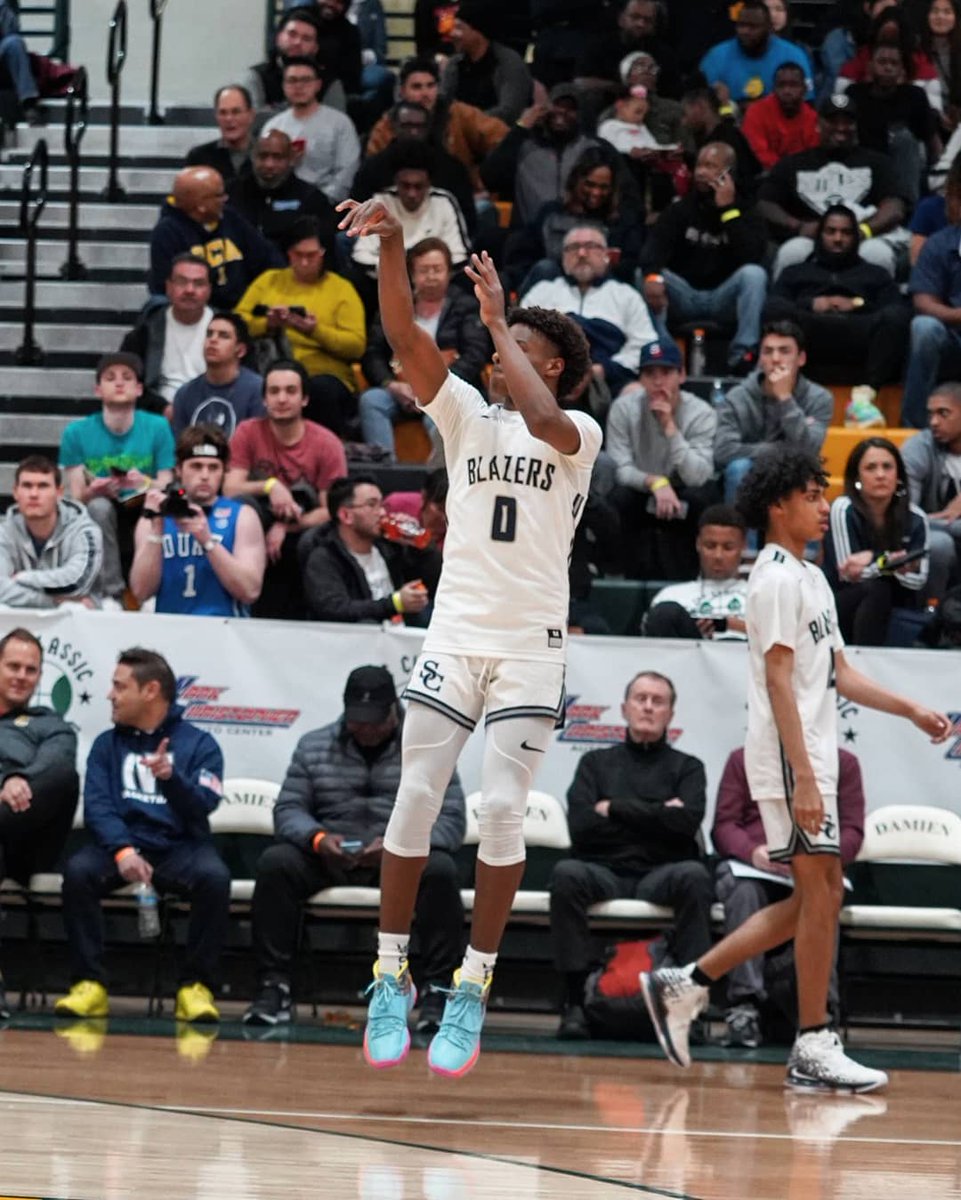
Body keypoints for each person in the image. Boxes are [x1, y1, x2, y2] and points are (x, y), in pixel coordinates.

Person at [337, 194, 601, 1077]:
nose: (497, 357)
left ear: (555, 366)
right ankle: (389, 975)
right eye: (497, 347)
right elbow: (406, 338)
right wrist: (391, 244)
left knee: (496, 811)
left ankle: (473, 986)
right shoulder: (461, 415)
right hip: (454, 633)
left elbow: (547, 418)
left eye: (522, 351)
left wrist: (498, 320)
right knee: (416, 797)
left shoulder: (579, 434)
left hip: (530, 642)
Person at [640, 444, 951, 1093]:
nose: (822, 506)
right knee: (821, 894)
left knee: (817, 896)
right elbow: (778, 682)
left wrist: (909, 708)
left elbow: (838, 674)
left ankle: (686, 982)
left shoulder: (810, 577)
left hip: (808, 754)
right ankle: (811, 1041)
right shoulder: (775, 579)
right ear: (779, 504)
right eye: (812, 495)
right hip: (790, 758)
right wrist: (804, 775)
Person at [244, 664, 465, 1029]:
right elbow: (288, 809)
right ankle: (274, 986)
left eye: (373, 721)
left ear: (394, 709)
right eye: (356, 719)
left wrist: (399, 847)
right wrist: (316, 839)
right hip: (330, 855)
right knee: (276, 863)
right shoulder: (313, 745)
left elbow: (452, 821)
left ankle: (436, 992)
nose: (364, 729)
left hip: (399, 859)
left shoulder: (429, 750)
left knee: (440, 870)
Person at [54, 648, 231, 1023]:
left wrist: (172, 779)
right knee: (78, 872)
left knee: (214, 878)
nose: (110, 695)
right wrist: (123, 851)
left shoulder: (201, 745)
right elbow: (98, 807)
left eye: (119, 686)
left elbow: (204, 807)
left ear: (150, 691)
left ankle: (195, 987)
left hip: (179, 847)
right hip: (124, 845)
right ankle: (90, 985)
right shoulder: (106, 745)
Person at [551, 670, 713, 1040]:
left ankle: (692, 1007)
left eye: (658, 701)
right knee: (566, 874)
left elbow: (685, 825)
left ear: (671, 714)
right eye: (641, 699)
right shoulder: (594, 764)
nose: (648, 707)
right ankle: (574, 1003)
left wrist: (615, 809)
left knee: (695, 877)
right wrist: (659, 813)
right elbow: (582, 827)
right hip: (602, 871)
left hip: (662, 873)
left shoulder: (688, 768)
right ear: (624, 708)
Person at [711, 746, 865, 1048]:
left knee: (824, 897)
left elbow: (853, 831)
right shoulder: (743, 758)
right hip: (755, 866)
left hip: (814, 867)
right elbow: (724, 824)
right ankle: (744, 1008)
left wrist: (821, 856)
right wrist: (751, 852)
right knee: (743, 892)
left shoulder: (843, 763)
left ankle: (823, 1014)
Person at [224, 359, 347, 619]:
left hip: (305, 527)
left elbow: (333, 510)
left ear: (304, 399)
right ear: (265, 399)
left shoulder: (327, 443)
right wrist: (271, 485)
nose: (282, 399)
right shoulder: (247, 432)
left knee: (310, 542)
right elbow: (230, 489)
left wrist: (289, 526)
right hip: (258, 521)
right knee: (240, 507)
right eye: (274, 391)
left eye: (290, 391)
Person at [765, 206, 911, 425]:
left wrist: (856, 304)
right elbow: (774, 304)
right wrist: (812, 303)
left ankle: (864, 399)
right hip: (810, 332)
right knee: (777, 312)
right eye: (831, 231)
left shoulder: (875, 274)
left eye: (846, 233)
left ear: (856, 237)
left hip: (859, 332)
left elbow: (897, 310)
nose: (838, 238)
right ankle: (788, 393)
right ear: (819, 235)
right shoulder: (796, 272)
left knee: (896, 318)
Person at [0, 627, 79, 1018]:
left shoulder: (51, 725)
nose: (21, 676)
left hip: (30, 841)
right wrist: (3, 779)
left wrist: (21, 781)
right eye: (13, 666)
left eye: (31, 670)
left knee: (66, 776)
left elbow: (59, 767)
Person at [641, 142, 768, 377]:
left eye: (711, 166)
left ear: (728, 173)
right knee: (647, 276)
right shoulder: (681, 209)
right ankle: (666, 352)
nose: (701, 172)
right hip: (684, 295)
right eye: (699, 165)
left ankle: (742, 355)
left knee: (754, 275)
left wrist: (727, 211)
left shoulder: (747, 209)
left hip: (724, 297)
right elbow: (653, 251)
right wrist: (653, 276)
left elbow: (752, 256)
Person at [59, 354, 176, 606]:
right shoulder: (76, 433)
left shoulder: (158, 427)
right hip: (103, 505)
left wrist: (143, 483)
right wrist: (94, 489)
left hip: (145, 501)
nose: (119, 383)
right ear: (98, 389)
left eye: (127, 378)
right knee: (97, 507)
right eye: (110, 378)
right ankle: (112, 593)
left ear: (139, 389)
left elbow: (168, 485)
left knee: (154, 506)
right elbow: (75, 496)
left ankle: (147, 593)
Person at [359, 237, 490, 460]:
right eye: (424, 270)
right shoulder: (395, 306)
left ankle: (440, 477)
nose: (430, 276)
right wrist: (390, 385)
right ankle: (383, 470)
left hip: (447, 390)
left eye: (437, 269)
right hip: (402, 390)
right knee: (371, 400)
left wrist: (435, 388)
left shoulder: (466, 306)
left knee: (442, 414)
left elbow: (475, 354)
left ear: (449, 272)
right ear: (412, 274)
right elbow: (373, 354)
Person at [236, 217, 366, 438]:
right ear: (288, 253)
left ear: (324, 254)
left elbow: (356, 346)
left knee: (319, 389)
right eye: (298, 255)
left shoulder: (341, 289)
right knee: (248, 384)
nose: (305, 262)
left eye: (312, 255)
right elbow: (237, 323)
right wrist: (268, 323)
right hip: (269, 367)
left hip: (323, 374)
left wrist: (313, 331)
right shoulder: (269, 280)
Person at [757, 94, 909, 279]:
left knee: (878, 254)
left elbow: (895, 207)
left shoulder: (878, 162)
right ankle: (785, 305)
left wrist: (862, 231)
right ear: (818, 124)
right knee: (792, 252)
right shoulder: (793, 163)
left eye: (848, 122)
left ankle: (880, 306)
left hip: (865, 235)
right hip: (810, 237)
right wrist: (798, 226)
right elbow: (765, 203)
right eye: (833, 121)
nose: (841, 128)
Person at [605, 339, 718, 580]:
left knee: (703, 498)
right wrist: (655, 482)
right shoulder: (623, 409)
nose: (658, 381)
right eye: (649, 373)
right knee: (617, 498)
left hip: (683, 488)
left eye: (666, 372)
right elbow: (620, 468)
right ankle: (617, 576)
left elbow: (698, 475)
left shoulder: (702, 413)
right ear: (640, 379)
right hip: (641, 487)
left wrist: (670, 427)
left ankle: (696, 578)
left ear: (682, 375)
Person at [129, 426, 267, 618]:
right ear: (178, 469)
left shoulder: (243, 516)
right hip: (171, 628)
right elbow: (140, 592)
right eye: (196, 466)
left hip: (225, 629)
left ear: (224, 472)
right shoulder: (154, 519)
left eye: (213, 467)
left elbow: (250, 591)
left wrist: (208, 542)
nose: (204, 475)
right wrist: (156, 532)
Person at [520, 225, 657, 397]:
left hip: (607, 380)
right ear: (563, 257)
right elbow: (520, 339)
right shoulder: (542, 292)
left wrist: (604, 369)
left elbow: (644, 344)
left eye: (591, 246)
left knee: (636, 395)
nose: (582, 254)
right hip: (549, 377)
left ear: (606, 256)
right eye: (574, 248)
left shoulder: (626, 295)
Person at [823, 436, 931, 644]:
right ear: (857, 477)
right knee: (877, 589)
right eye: (871, 468)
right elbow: (848, 574)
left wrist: (875, 560)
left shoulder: (917, 518)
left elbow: (918, 579)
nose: (880, 475)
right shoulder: (842, 509)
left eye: (887, 467)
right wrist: (890, 563)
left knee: (883, 591)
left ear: (898, 475)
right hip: (843, 601)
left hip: (898, 600)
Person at [714, 320, 833, 505]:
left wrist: (785, 399)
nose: (775, 359)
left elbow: (809, 451)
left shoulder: (819, 398)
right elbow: (722, 452)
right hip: (752, 475)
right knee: (739, 468)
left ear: (801, 358)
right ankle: (741, 534)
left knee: (810, 476)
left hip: (796, 473)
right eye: (768, 351)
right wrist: (775, 450)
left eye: (784, 351)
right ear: (760, 359)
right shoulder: (737, 398)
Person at [503, 144, 646, 293]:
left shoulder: (622, 220)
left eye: (603, 187)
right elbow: (524, 257)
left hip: (602, 290)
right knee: (545, 267)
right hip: (553, 290)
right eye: (590, 185)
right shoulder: (551, 213)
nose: (596, 192)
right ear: (576, 181)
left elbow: (630, 263)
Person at [300, 474, 441, 622]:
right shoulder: (324, 559)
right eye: (372, 505)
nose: (382, 513)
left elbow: (434, 583)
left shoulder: (389, 547)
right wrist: (395, 603)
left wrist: (419, 546)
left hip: (399, 636)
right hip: (359, 639)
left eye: (381, 505)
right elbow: (335, 609)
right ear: (346, 515)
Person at [366, 56, 509, 196]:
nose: (425, 93)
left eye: (430, 85)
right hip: (404, 198)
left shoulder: (458, 113)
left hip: (457, 194)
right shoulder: (386, 125)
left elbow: (503, 138)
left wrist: (481, 177)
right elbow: (373, 172)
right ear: (402, 91)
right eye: (417, 87)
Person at [147, 167, 282, 310]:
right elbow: (168, 288)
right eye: (218, 195)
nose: (225, 198)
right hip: (195, 313)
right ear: (201, 206)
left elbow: (268, 258)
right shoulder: (167, 232)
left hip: (242, 309)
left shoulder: (230, 217)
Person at [350, 140, 471, 284]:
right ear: (395, 181)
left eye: (418, 186)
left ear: (429, 184)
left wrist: (425, 269)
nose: (412, 193)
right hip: (388, 280)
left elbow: (460, 256)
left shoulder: (443, 202)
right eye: (405, 186)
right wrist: (402, 270)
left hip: (434, 280)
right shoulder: (380, 202)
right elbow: (360, 256)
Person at [480, 84, 597, 229]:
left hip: (582, 233)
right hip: (530, 237)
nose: (562, 111)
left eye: (570, 108)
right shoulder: (523, 144)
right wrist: (521, 127)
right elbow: (490, 178)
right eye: (557, 105)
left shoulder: (592, 149)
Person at [353, 101, 477, 235]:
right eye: (407, 126)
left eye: (419, 126)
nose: (413, 132)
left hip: (438, 236)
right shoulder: (373, 167)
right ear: (394, 127)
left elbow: (466, 218)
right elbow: (359, 211)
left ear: (428, 128)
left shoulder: (452, 168)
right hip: (383, 237)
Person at [0, 456, 103, 609]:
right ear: (16, 492)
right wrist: (52, 602)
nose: (34, 494)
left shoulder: (84, 530)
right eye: (27, 486)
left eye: (43, 486)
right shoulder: (5, 532)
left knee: (75, 609)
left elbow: (77, 583)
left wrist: (23, 578)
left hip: (76, 622)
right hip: (19, 620)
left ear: (59, 492)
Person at [262, 57, 361, 204]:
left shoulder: (340, 123)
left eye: (306, 80)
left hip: (327, 203)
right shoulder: (273, 126)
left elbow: (347, 171)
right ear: (283, 86)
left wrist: (320, 201)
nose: (299, 86)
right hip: (281, 201)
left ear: (318, 84)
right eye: (292, 80)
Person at [121, 255, 214, 411]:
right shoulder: (145, 331)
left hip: (213, 414)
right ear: (168, 287)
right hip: (158, 418)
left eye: (198, 283)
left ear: (209, 290)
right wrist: (163, 409)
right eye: (182, 282)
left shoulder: (227, 330)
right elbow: (126, 381)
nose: (189, 290)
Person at [642, 504, 749, 639]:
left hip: (744, 656)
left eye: (728, 548)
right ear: (698, 544)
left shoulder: (762, 595)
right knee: (665, 613)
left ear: (743, 547)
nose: (718, 556)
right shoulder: (671, 595)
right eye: (710, 546)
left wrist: (732, 626)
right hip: (687, 656)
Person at [227, 130, 339, 256]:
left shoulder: (312, 198)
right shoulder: (231, 193)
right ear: (253, 157)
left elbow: (324, 248)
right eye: (263, 156)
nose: (269, 164)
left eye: (277, 157)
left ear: (291, 159)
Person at [901, 382, 961, 594]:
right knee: (939, 544)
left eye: (943, 413)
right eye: (931, 414)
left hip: (939, 525)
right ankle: (930, 612)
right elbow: (908, 516)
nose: (934, 422)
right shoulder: (918, 447)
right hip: (930, 534)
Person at [901, 216, 961, 426]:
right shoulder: (940, 243)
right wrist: (957, 315)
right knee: (924, 327)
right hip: (952, 336)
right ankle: (915, 429)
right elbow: (923, 301)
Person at [699, 0, 814, 105]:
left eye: (752, 26)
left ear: (769, 28)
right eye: (741, 25)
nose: (745, 31)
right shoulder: (716, 56)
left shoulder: (793, 56)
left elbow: (807, 104)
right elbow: (699, 105)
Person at [170, 312, 264, 438]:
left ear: (240, 350)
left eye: (224, 336)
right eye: (209, 334)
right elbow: (180, 449)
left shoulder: (258, 390)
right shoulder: (185, 393)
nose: (213, 340)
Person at [439, 0, 533, 125]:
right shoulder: (455, 63)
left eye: (459, 27)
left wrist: (466, 122)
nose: (452, 33)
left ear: (478, 32)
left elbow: (509, 112)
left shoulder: (508, 63)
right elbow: (443, 102)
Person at [575, 0, 684, 104]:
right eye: (635, 17)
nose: (641, 24)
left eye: (648, 20)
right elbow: (580, 83)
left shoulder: (664, 55)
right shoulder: (599, 47)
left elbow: (674, 93)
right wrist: (623, 88)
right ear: (621, 19)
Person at [679, 86, 762, 194]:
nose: (684, 122)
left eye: (685, 114)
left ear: (700, 107)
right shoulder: (705, 137)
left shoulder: (728, 139)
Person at [244, 6, 325, 111]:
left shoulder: (328, 83)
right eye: (292, 34)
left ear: (315, 48)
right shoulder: (256, 77)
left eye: (306, 39)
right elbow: (253, 122)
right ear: (279, 38)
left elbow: (335, 124)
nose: (297, 42)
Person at [742, 62, 820, 170]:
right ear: (774, 89)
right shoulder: (756, 112)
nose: (787, 91)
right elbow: (757, 153)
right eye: (781, 85)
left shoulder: (812, 118)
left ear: (805, 89)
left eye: (793, 85)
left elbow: (814, 156)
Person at [185, 85, 256, 182]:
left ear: (251, 115)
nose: (229, 119)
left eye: (236, 112)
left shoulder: (267, 157)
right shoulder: (199, 157)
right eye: (223, 113)